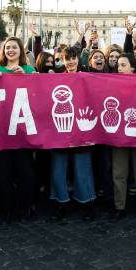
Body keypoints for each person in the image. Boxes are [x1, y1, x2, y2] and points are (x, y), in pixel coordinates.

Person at [0, 37, 37, 222]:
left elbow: (37, 94)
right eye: (7, 48)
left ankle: (25, 208)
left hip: (23, 131)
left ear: (20, 51)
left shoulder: (29, 70)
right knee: (4, 173)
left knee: (25, 173)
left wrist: (26, 78)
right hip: (2, 131)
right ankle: (6, 209)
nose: (10, 50)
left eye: (14, 47)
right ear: (3, 51)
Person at [49, 46, 96, 221]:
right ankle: (61, 203)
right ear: (63, 60)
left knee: (82, 170)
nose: (71, 62)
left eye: (74, 57)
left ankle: (86, 204)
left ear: (79, 59)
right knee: (58, 171)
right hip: (59, 134)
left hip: (81, 132)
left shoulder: (88, 76)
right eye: (67, 58)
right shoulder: (55, 78)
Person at [110, 53, 136, 222]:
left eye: (123, 65)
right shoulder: (112, 83)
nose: (119, 68)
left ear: (133, 67)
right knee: (119, 173)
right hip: (119, 136)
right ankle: (120, 206)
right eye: (118, 65)